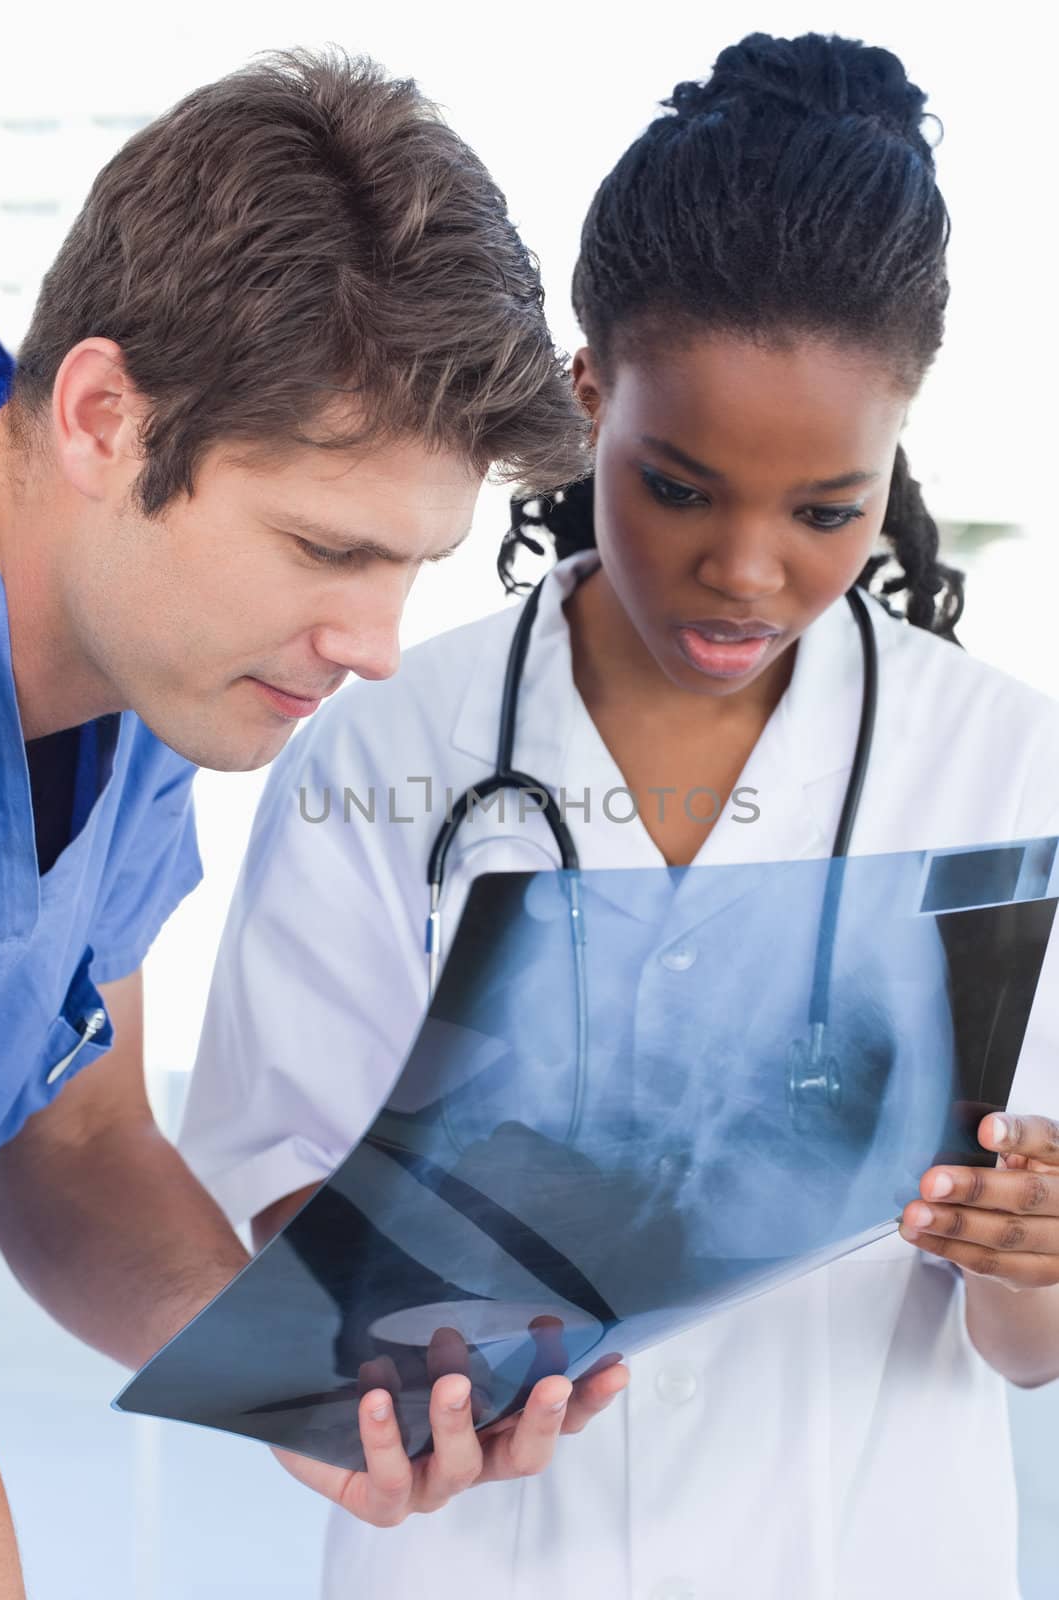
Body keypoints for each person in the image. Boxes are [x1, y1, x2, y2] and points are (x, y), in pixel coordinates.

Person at [180, 30, 1059, 1600]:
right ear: (589, 399)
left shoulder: (1001, 769)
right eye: (677, 486)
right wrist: (406, 1312)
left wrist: (1034, 1254)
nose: (746, 570)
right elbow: (277, 1206)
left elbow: (1026, 1342)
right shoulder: (385, 738)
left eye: (826, 511)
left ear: (895, 450)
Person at [0, 48, 629, 1595]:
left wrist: (308, 1370)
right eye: (323, 548)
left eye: (410, 568)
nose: (376, 644)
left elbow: (65, 1130)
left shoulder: (145, 669)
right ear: (103, 415)